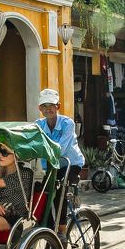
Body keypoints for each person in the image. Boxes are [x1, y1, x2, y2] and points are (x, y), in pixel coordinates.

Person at [35, 88, 84, 233]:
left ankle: (61, 231)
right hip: (51, 166)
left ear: (58, 106)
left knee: (58, 191)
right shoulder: (38, 125)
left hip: (71, 165)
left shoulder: (67, 123)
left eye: (51, 105)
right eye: (44, 106)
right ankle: (49, 231)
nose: (48, 109)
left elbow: (60, 149)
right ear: (40, 108)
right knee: (42, 195)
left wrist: (40, 150)